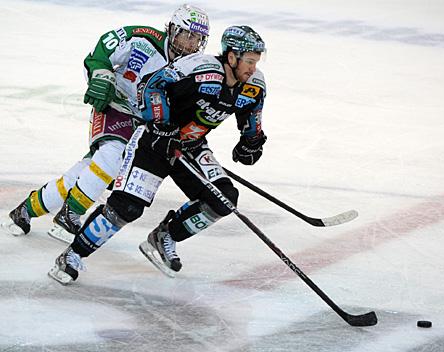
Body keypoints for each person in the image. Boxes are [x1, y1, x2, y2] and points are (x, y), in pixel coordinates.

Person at [48, 25, 268, 284]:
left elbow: (252, 118)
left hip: (190, 146)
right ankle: (73, 254)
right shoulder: (201, 69)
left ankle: (166, 235)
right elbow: (151, 85)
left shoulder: (253, 85)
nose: (253, 68)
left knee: (223, 199)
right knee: (126, 208)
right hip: (153, 142)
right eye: (249, 61)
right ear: (232, 57)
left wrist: (251, 142)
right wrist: (162, 124)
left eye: (256, 62)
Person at [1, 4, 210, 243]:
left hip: (141, 124)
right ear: (172, 29)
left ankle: (26, 211)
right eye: (186, 34)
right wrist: (101, 74)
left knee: (89, 171)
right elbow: (101, 52)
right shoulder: (142, 38)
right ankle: (69, 216)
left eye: (197, 38)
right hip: (114, 105)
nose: (190, 42)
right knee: (113, 155)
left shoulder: (194, 69)